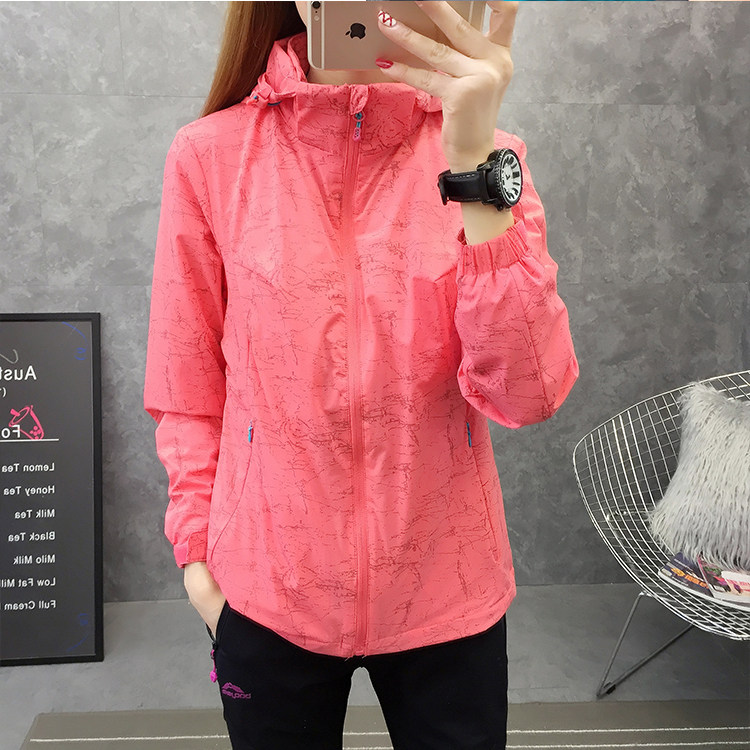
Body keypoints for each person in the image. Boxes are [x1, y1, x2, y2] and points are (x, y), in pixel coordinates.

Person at [144, 2, 578, 748]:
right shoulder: (209, 156)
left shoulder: (485, 157)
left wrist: (473, 165)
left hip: (447, 590)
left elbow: (527, 393)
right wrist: (198, 561)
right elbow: (187, 382)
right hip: (267, 593)